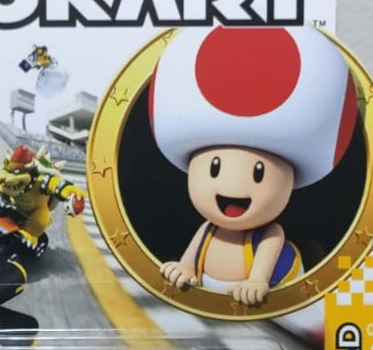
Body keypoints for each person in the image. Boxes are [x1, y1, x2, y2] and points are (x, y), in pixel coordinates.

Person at [151, 25, 358, 305]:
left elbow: (261, 273)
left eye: (258, 173)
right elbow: (190, 261)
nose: (232, 187)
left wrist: (257, 281)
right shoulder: (207, 230)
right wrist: (184, 269)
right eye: (215, 168)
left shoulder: (270, 234)